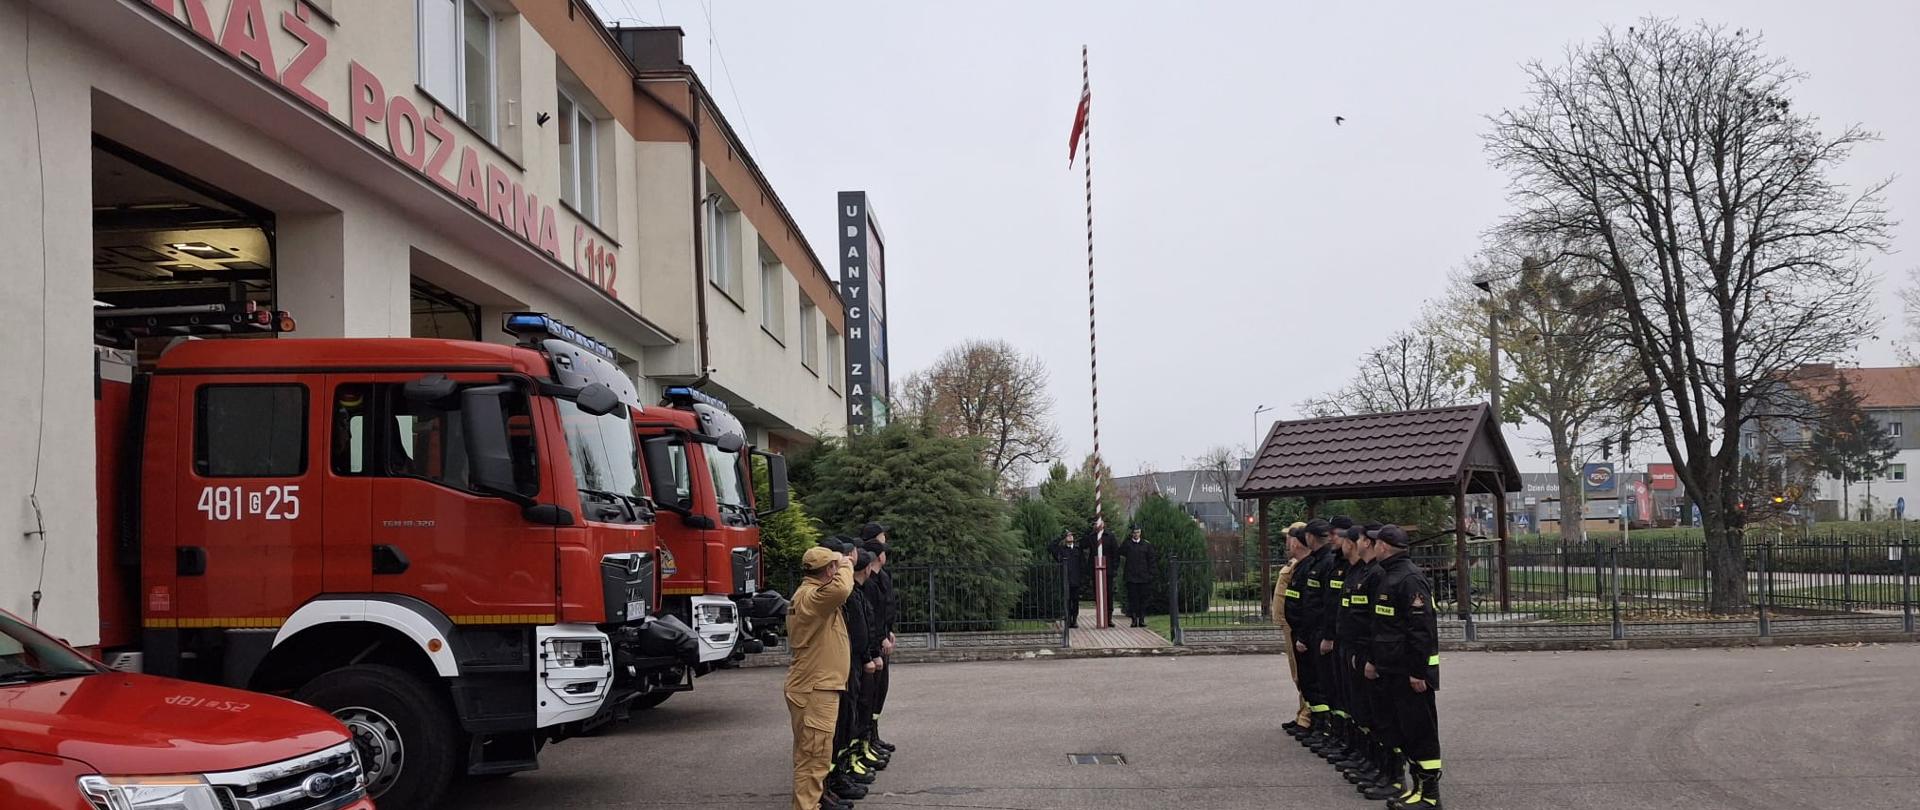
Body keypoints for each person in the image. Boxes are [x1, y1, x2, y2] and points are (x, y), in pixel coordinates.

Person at [1366, 524, 1443, 809]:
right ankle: (1418, 789)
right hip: (1394, 671)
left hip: (1411, 675)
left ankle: (1431, 795)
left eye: (1375, 543)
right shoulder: (1390, 576)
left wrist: (1418, 672)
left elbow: (1421, 631)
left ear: (1384, 547)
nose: (1372, 547)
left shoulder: (1408, 578)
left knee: (1421, 732)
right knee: (1407, 731)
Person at [786, 543, 856, 810]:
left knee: (813, 756)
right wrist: (846, 561)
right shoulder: (812, 597)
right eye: (834, 567)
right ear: (828, 570)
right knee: (813, 758)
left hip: (816, 686)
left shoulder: (811, 595)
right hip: (815, 689)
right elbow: (842, 588)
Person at [1332, 523, 1386, 789]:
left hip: (1364, 652)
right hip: (1351, 647)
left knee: (1375, 712)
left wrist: (1369, 656)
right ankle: (1367, 758)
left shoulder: (1376, 574)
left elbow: (1376, 623)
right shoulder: (1358, 572)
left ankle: (1386, 770)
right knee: (1359, 707)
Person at [1307, 517, 1353, 761]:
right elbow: (1327, 603)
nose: (1331, 537)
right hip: (1330, 636)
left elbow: (1336, 609)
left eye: (1336, 534)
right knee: (1332, 690)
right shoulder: (1334, 563)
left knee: (1343, 695)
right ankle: (1337, 735)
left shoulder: (1343, 566)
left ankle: (1345, 740)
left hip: (1341, 641)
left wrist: (1329, 636)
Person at [1286, 519, 1335, 744]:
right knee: (1309, 680)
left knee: (1318, 682)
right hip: (1305, 630)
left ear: (1310, 538)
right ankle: (1317, 723)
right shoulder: (1313, 562)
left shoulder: (1325, 563)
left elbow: (1321, 605)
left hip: (1313, 633)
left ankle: (1322, 727)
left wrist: (1308, 634)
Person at [858, 522, 899, 758]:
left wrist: (888, 630)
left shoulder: (881, 575)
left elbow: (885, 609)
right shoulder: (868, 582)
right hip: (875, 645)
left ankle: (873, 735)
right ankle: (866, 740)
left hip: (882, 638)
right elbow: (870, 616)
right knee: (869, 696)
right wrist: (879, 639)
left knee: (879, 692)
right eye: (883, 538)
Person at [1274, 522, 1311, 738]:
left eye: (1288, 536)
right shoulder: (1294, 562)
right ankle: (1302, 713)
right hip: (1287, 624)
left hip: (1294, 624)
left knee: (1301, 672)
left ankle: (1307, 717)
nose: (1287, 541)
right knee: (1297, 673)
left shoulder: (1302, 565)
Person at [1116, 525, 1157, 628]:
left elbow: (1151, 560)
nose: (1136, 534)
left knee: (1143, 600)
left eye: (1138, 532)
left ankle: (1142, 619)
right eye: (1134, 532)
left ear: (1140, 533)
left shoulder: (1146, 545)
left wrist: (1151, 574)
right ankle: (1134, 620)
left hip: (1143, 577)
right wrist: (1126, 538)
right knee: (1133, 600)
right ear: (1132, 533)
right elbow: (1120, 551)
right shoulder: (1128, 544)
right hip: (1132, 577)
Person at [1048, 528, 1088, 628]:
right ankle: (1068, 619)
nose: (1070, 537)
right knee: (1067, 600)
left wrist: (1083, 579)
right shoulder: (1061, 550)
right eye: (1068, 535)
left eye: (1071, 535)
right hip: (1065, 579)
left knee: (1075, 601)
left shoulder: (1078, 550)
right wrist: (1060, 537)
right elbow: (1050, 547)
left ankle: (1074, 620)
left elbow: (1083, 565)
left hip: (1076, 580)